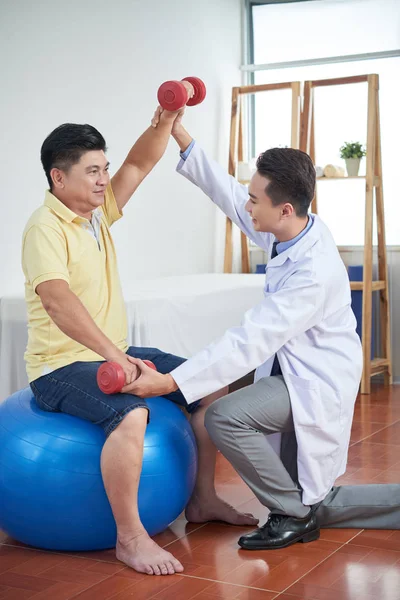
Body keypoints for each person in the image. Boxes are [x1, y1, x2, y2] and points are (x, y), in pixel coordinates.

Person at [127, 108, 400, 550]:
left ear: (284, 208)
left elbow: (251, 338)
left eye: (256, 200)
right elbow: (229, 195)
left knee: (224, 416)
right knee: (320, 499)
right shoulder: (293, 229)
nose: (247, 204)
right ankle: (299, 508)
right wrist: (181, 137)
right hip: (295, 367)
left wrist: (172, 381)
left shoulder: (311, 272)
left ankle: (291, 516)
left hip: (316, 380)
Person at [22, 108, 259, 577]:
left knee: (205, 380)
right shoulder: (43, 228)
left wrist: (166, 120)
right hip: (58, 366)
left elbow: (137, 165)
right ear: (58, 176)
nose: (103, 179)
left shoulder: (95, 215)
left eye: (102, 169)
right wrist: (116, 357)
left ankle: (203, 500)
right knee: (132, 413)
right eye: (92, 171)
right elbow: (56, 300)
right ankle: (130, 539)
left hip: (110, 351)